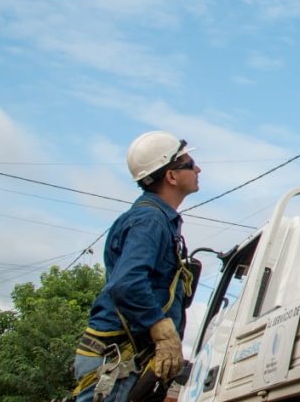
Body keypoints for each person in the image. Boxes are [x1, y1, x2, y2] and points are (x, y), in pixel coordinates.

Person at [72, 131, 201, 402]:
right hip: (118, 357)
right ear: (172, 176)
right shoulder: (150, 221)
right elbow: (127, 283)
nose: (198, 168)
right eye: (190, 164)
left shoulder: (156, 220)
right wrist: (161, 330)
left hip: (126, 356)